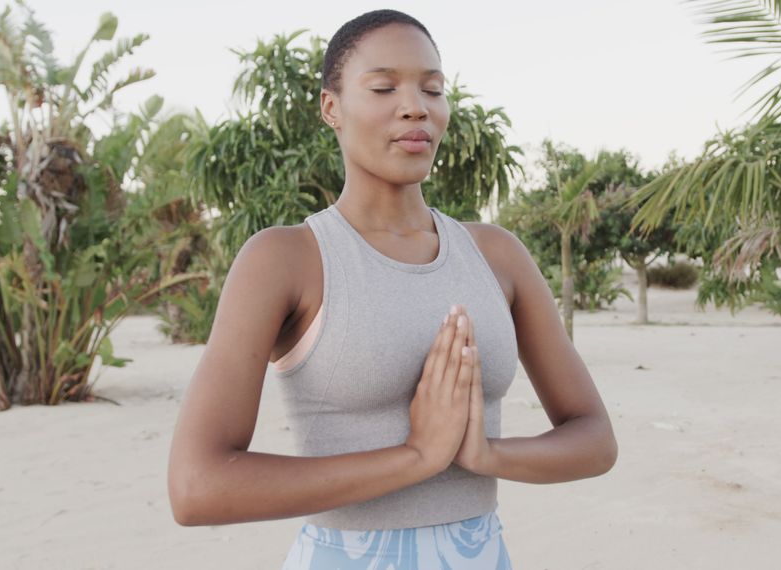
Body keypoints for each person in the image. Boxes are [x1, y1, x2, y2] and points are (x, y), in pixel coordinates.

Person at [167, 9, 618, 568]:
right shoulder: (285, 260)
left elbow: (595, 440)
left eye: (433, 89)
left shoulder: (496, 255)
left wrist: (484, 453)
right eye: (384, 87)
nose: (416, 106)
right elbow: (197, 486)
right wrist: (416, 457)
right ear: (332, 108)